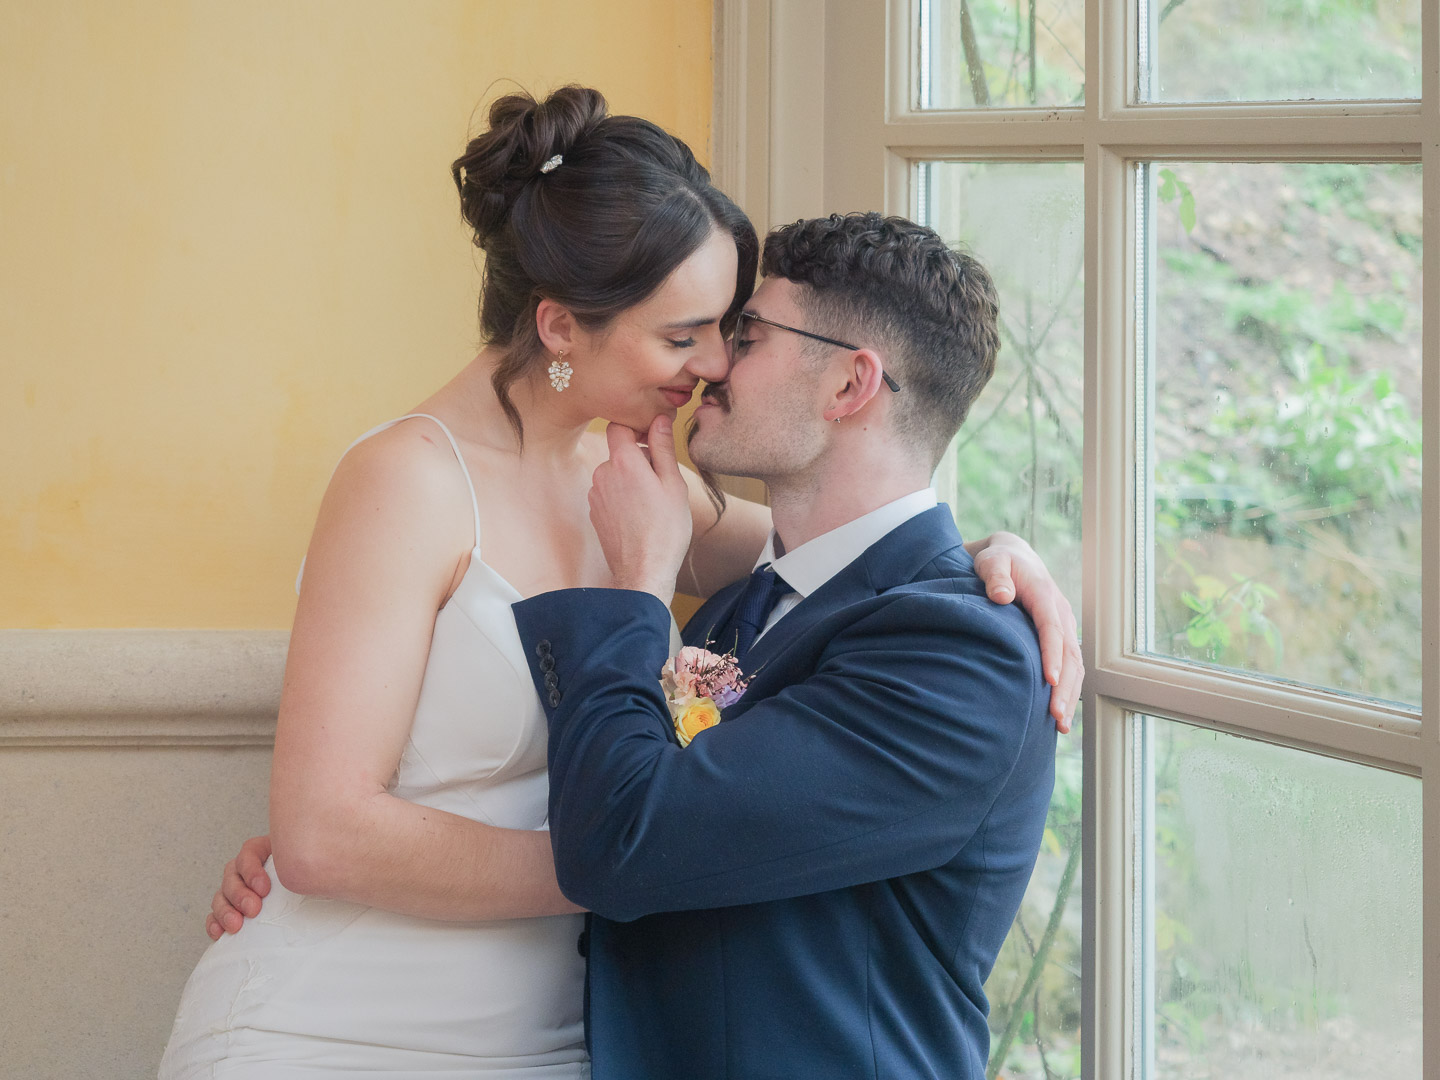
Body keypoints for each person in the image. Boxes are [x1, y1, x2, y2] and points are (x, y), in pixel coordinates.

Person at [173, 86, 1080, 1077]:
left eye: (733, 330)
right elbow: (322, 835)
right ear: (561, 329)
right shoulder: (410, 481)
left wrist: (1000, 556)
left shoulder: (646, 491)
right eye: (683, 335)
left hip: (565, 1038)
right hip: (356, 1023)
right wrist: (633, 861)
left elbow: (851, 557)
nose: (713, 364)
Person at [507, 212, 1056, 1079]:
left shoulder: (961, 659)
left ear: (850, 385)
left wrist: (641, 582)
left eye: (749, 335)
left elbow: (622, 842)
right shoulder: (743, 605)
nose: (713, 364)